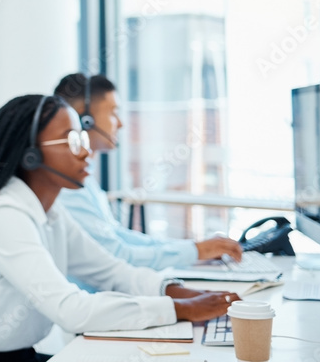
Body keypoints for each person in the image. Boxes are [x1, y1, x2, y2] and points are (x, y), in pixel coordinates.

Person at [0, 94, 238, 362]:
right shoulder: (5, 216)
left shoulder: (52, 212)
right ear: (30, 155)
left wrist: (187, 294)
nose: (86, 151)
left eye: (83, 138)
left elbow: (114, 272)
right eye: (73, 141)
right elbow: (71, 309)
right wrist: (179, 308)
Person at [53, 73, 242, 269]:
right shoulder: (67, 187)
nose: (120, 123)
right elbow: (117, 254)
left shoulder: (86, 181)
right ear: (86, 120)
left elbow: (119, 237)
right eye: (113, 113)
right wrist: (195, 251)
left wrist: (194, 248)